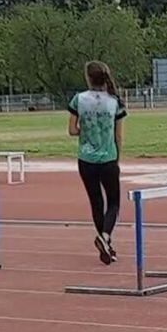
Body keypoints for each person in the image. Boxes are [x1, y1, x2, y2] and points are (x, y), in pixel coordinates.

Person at [68, 61, 126, 265]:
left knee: (96, 203)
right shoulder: (115, 101)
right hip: (108, 158)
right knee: (114, 203)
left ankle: (106, 244)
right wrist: (118, 158)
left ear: (88, 78)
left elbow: (72, 130)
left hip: (85, 159)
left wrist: (87, 130)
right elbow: (119, 136)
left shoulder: (79, 99)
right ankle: (106, 237)